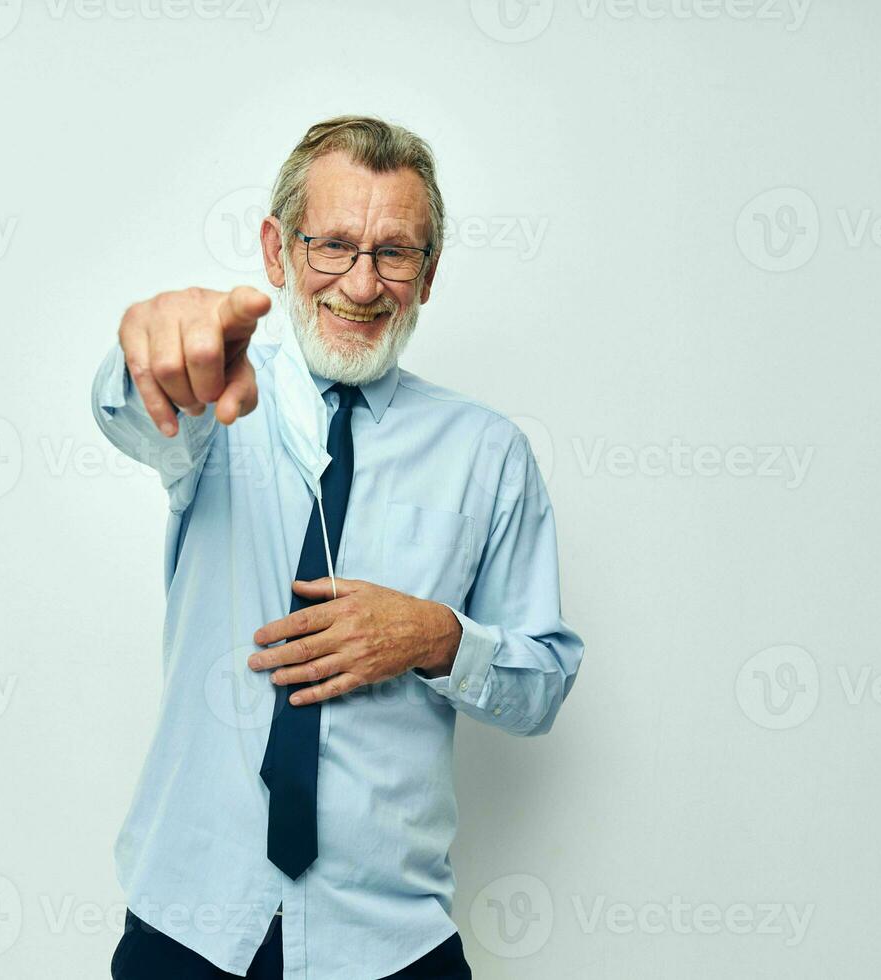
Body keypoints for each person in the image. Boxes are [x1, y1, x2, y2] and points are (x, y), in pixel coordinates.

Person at [92, 114, 584, 979]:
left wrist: (435, 637)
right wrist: (157, 350)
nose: (362, 284)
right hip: (190, 919)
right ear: (278, 254)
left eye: (394, 253)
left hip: (390, 938)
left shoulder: (488, 453)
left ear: (427, 277)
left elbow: (541, 683)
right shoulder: (218, 404)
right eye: (333, 246)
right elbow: (139, 412)